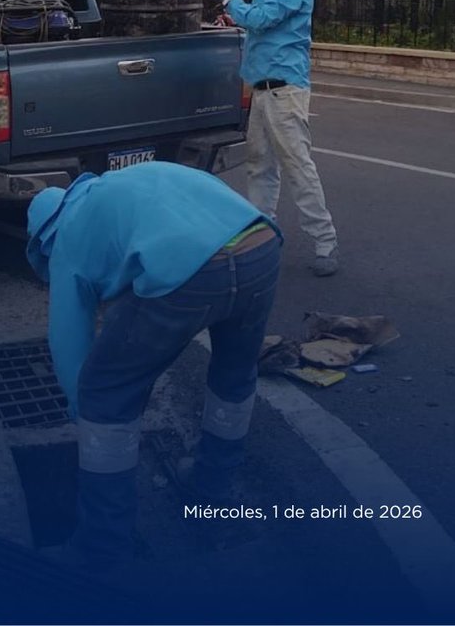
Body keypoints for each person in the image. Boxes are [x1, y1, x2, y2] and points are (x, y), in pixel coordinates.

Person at [26, 161, 282, 569]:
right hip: (260, 246)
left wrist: (90, 418)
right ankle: (213, 490)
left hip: (193, 271)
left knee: (104, 393)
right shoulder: (130, 183)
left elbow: (70, 345)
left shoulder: (67, 238)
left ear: (44, 239)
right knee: (234, 376)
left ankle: (102, 547)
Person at [195, 0, 339, 276]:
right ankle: (261, 236)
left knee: (297, 166)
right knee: (260, 165)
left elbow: (258, 19)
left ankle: (325, 243)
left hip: (285, 89)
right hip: (262, 88)